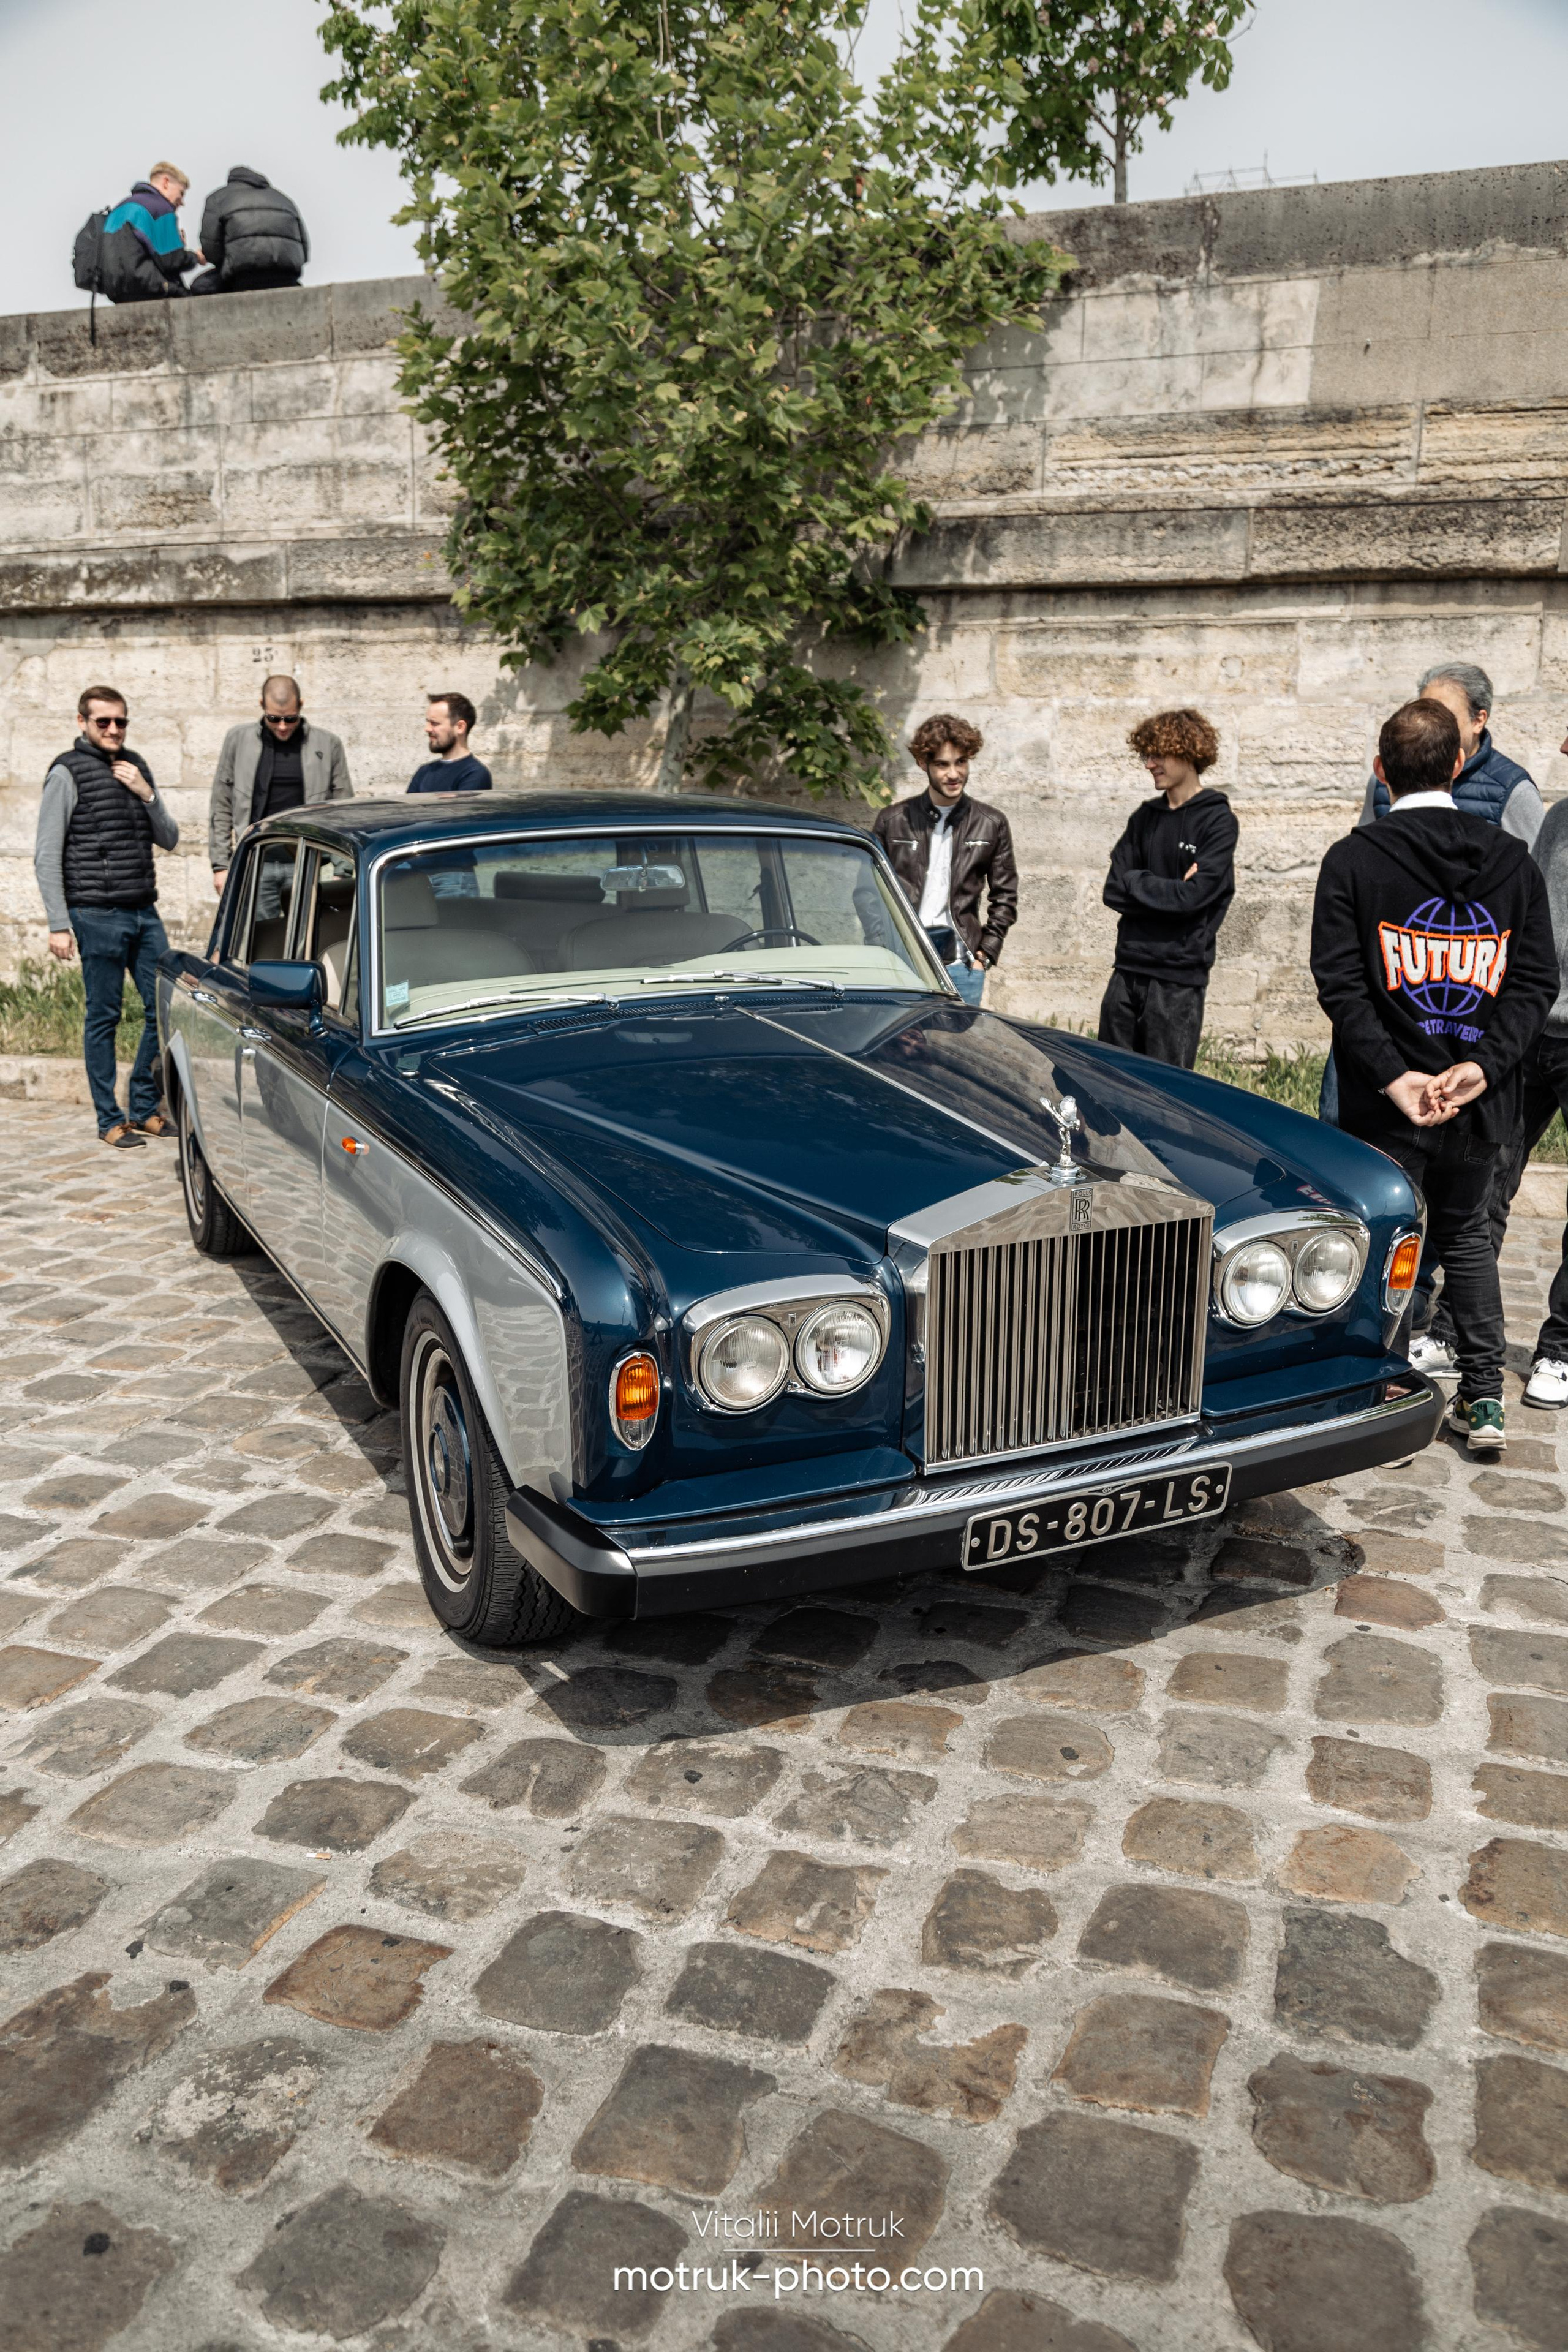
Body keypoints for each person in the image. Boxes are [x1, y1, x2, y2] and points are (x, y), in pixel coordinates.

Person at [1310, 696, 1557, 1453]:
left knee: (1377, 1234)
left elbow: (1341, 983)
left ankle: (1367, 1383)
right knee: (1467, 1237)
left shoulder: (1353, 859)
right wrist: (1481, 1068)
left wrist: (1393, 1078)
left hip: (1387, 1101)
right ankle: (1483, 1399)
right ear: (1460, 763)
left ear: (1380, 772)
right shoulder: (1512, 862)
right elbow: (1533, 981)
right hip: (1475, 1100)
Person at [33, 687, 181, 1149]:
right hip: (95, 914)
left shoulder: (135, 766)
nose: (114, 730)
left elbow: (171, 838)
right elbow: (46, 854)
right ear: (83, 722)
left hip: (143, 911)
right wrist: (59, 923)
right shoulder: (65, 772)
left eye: (121, 722)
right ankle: (108, 1119)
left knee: (164, 1006)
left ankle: (142, 1108)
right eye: (104, 722)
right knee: (104, 1016)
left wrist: (147, 792)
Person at [1098, 707, 1238, 1069]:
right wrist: (1169, 890)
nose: (1149, 764)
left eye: (1158, 754)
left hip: (1177, 981)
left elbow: (1194, 898)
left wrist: (1137, 883)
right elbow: (1112, 891)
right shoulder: (1144, 818)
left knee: (1166, 1098)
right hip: (1126, 971)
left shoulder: (1218, 821)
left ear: (1187, 752)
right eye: (1146, 755)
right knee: (1109, 1083)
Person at [870, 715, 1016, 1005]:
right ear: (924, 764)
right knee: (901, 1047)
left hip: (961, 967)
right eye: (943, 764)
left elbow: (1006, 896)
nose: (954, 774)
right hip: (903, 963)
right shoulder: (893, 821)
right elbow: (869, 891)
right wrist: (883, 947)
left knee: (958, 1048)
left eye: (961, 762)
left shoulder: (991, 823)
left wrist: (985, 954)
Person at [208, 677, 353, 895]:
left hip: (309, 863)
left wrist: (343, 869)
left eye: (291, 719)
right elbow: (221, 803)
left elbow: (343, 808)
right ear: (262, 706)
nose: (283, 726)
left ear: (301, 706)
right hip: (255, 862)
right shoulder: (238, 740)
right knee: (256, 930)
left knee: (309, 929)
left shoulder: (328, 744)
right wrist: (221, 865)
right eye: (274, 719)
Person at [190, 168, 308, 296]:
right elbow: (305, 248)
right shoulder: (286, 200)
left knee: (199, 287)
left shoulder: (217, 198)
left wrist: (228, 261)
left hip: (243, 277)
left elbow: (211, 248)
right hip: (286, 278)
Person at [96, 165, 201, 303]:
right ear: (166, 182)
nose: (182, 202)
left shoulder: (119, 209)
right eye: (181, 193)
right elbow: (171, 260)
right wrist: (196, 257)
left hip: (117, 292)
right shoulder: (160, 208)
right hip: (150, 287)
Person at [407, 694, 493, 793]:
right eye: (428, 722)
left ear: (460, 727)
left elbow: (460, 809)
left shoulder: (475, 774)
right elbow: (407, 809)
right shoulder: (424, 772)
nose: (427, 729)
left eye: (435, 723)